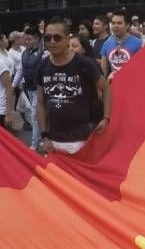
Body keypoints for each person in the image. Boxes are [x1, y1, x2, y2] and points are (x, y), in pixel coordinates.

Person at [36, 16, 111, 155]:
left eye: (57, 38)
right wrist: (44, 135)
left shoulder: (84, 63)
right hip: (52, 141)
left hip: (82, 140)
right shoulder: (43, 65)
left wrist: (106, 118)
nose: (52, 42)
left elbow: (106, 88)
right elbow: (40, 102)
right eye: (47, 38)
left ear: (67, 39)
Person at [98, 10, 143, 77]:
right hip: (114, 85)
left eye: (119, 23)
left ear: (127, 25)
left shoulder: (139, 43)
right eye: (113, 23)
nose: (115, 26)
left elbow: (142, 69)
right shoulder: (106, 44)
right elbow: (103, 72)